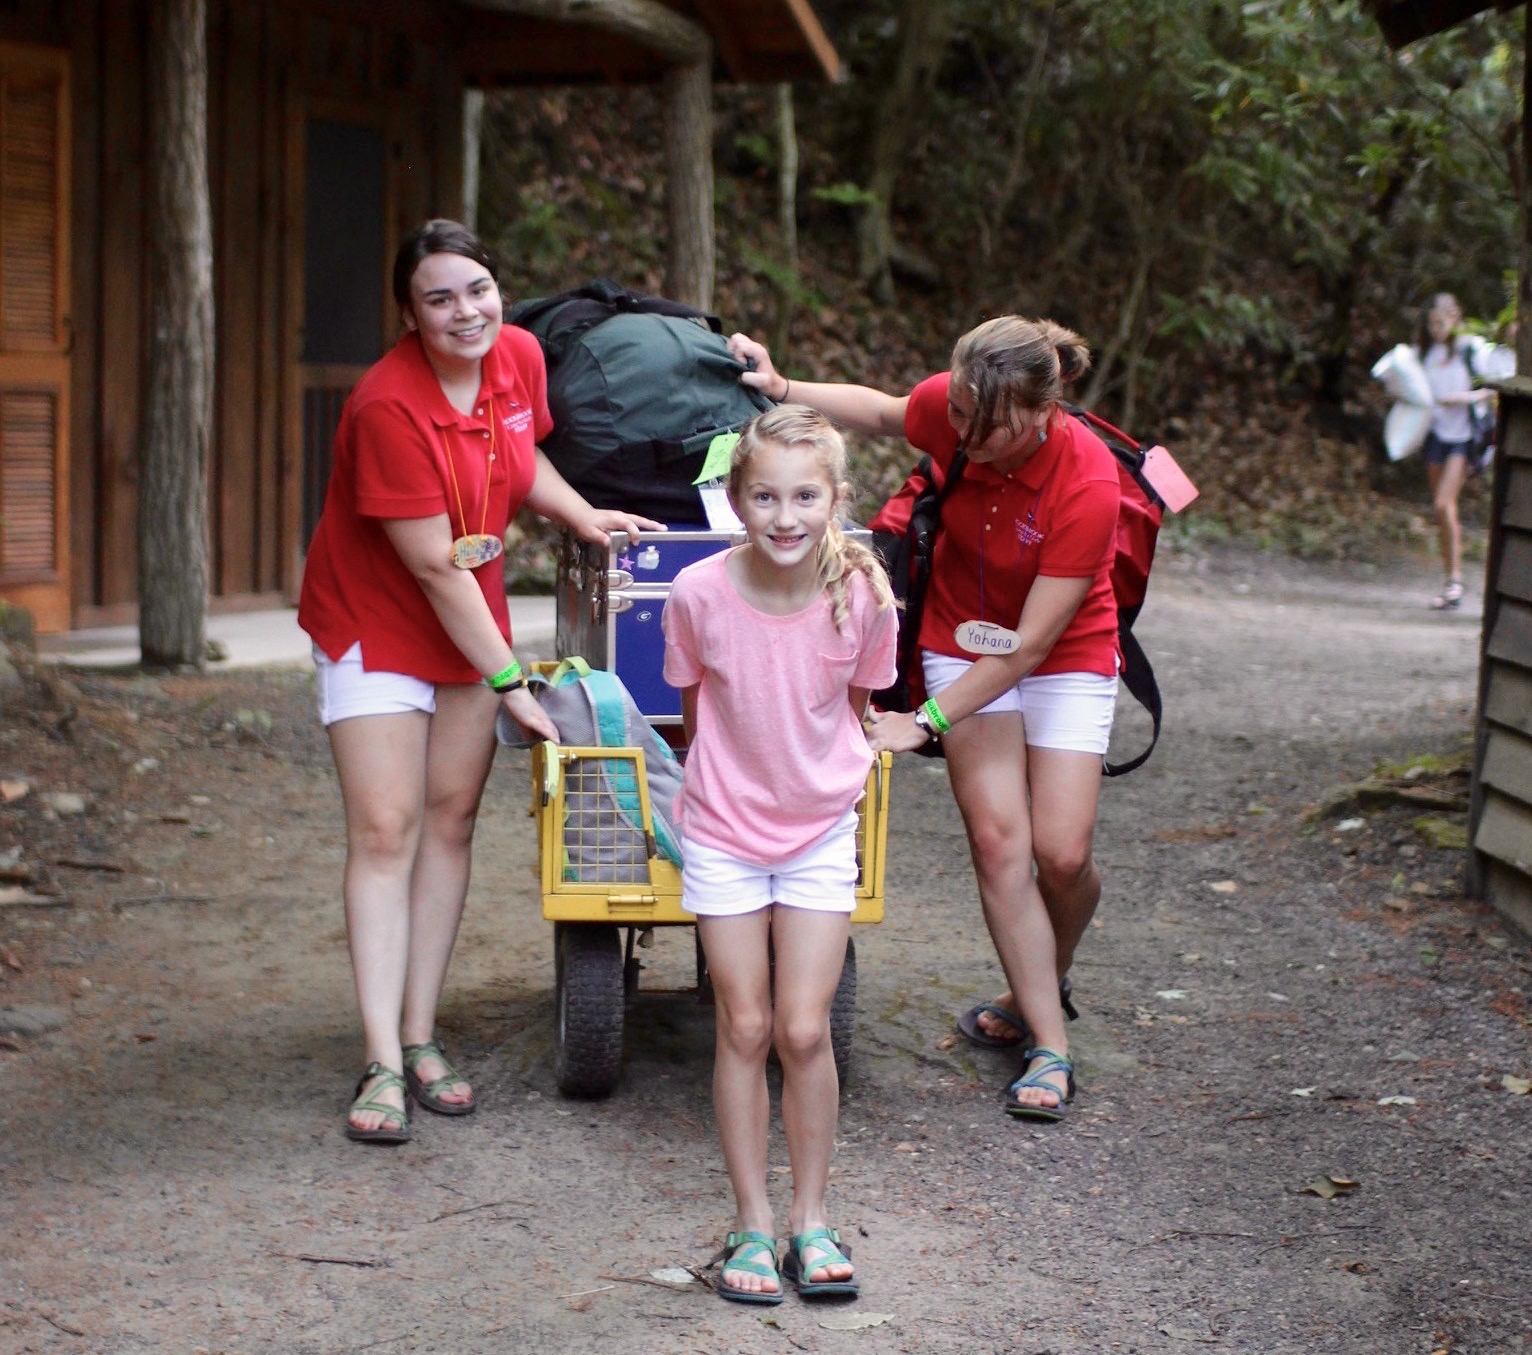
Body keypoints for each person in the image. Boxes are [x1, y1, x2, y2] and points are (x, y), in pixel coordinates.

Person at [298, 219, 662, 1144]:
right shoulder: (387, 406)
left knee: (451, 820)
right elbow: (430, 566)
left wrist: (583, 516)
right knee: (387, 828)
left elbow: (521, 455)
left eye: (476, 289)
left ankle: (423, 1033)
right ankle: (380, 1056)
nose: (465, 311)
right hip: (379, 624)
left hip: (472, 620)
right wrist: (509, 679)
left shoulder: (520, 358)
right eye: (439, 298)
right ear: (410, 315)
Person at [728, 319, 1120, 1123]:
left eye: (990, 425)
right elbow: (878, 411)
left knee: (1063, 850)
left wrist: (925, 719)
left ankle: (1040, 973)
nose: (966, 437)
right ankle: (1050, 1044)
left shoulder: (1088, 483)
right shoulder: (967, 401)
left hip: (1060, 650)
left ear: (1045, 411)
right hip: (957, 630)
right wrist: (783, 386)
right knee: (1000, 840)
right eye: (962, 413)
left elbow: (1030, 645)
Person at [662, 405, 896, 1303]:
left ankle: (811, 1217)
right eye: (766, 496)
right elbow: (694, 715)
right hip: (723, 831)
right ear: (737, 500)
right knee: (744, 1025)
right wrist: (729, 787)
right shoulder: (698, 595)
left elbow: (860, 706)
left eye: (806, 496)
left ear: (836, 499)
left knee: (805, 1028)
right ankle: (751, 1222)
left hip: (818, 829)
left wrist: (806, 783)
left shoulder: (863, 596)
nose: (786, 516)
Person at [1415, 292, 1497, 611]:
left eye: (1441, 322)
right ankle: (1450, 580)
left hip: (1462, 438)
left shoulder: (1470, 349)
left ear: (1455, 319)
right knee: (1441, 512)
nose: (1436, 329)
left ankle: (1456, 582)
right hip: (1436, 436)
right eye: (1431, 323)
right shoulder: (1424, 354)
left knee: (1444, 503)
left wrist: (1464, 398)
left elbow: (1493, 387)